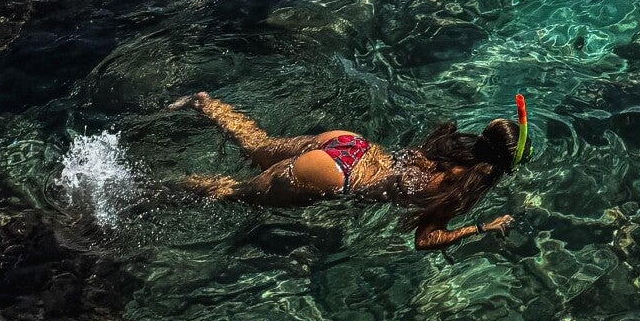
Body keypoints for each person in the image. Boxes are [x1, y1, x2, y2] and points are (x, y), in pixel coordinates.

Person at [174, 89, 526, 251]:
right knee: (232, 193)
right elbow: (425, 239)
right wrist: (481, 227)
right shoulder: (461, 187)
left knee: (256, 144)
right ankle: (159, 186)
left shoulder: (451, 145)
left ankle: (203, 102)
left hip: (349, 145)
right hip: (335, 175)